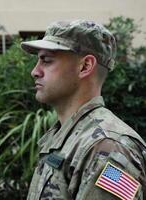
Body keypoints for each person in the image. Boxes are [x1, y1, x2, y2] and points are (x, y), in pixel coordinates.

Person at [21, 20, 146, 199]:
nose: (35, 71)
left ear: (85, 66)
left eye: (46, 61)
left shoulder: (107, 148)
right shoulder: (67, 137)